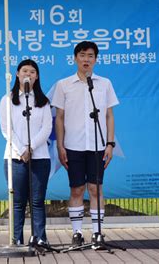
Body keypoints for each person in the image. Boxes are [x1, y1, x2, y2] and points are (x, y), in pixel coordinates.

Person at [51, 41, 119, 247]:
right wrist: (60, 146)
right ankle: (77, 232)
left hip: (98, 146)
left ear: (96, 59)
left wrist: (110, 144)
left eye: (90, 56)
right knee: (77, 189)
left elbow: (109, 115)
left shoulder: (104, 83)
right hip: (73, 145)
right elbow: (59, 118)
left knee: (96, 188)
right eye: (82, 55)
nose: (86, 59)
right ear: (75, 58)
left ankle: (98, 233)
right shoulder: (63, 85)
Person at [0, 59, 53, 247]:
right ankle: (17, 240)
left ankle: (40, 238)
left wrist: (30, 147)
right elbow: (7, 130)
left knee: (37, 201)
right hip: (15, 158)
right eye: (24, 71)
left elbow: (47, 128)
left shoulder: (43, 101)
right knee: (18, 203)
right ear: (17, 74)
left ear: (36, 76)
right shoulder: (7, 100)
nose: (27, 74)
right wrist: (22, 150)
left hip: (40, 157)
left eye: (32, 72)